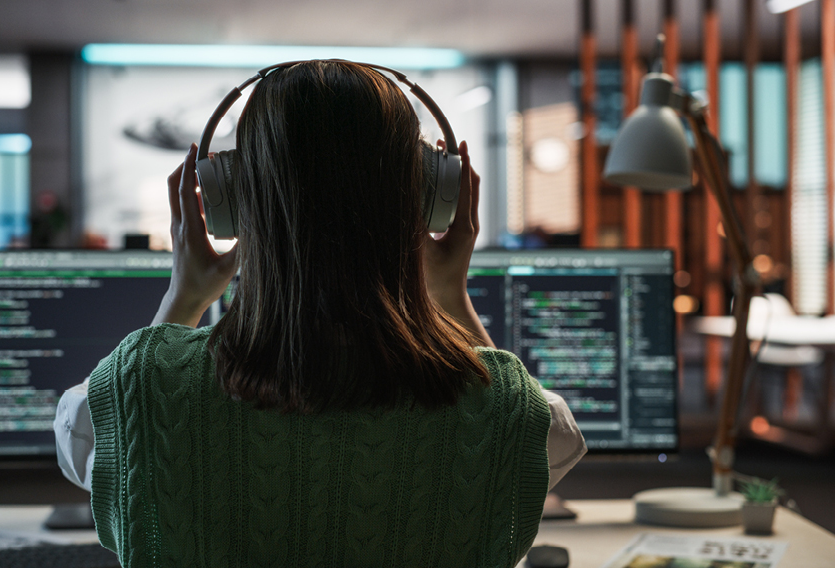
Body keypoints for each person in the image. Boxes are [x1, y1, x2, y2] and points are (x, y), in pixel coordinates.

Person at [54, 60, 585, 568]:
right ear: (432, 199)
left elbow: (106, 435)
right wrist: (450, 291)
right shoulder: (514, 414)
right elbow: (533, 437)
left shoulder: (130, 397)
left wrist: (186, 296)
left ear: (229, 202)